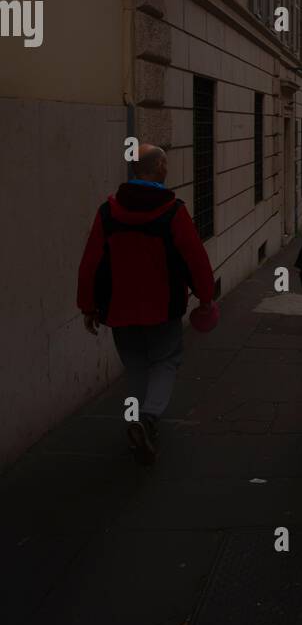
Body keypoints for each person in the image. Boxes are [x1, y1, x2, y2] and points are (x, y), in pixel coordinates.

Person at [77, 144, 215, 465]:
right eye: (165, 163)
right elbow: (194, 259)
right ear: (160, 167)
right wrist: (205, 297)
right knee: (165, 361)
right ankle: (149, 418)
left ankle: (134, 421)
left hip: (120, 309)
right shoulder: (172, 211)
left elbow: (91, 263)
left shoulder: (108, 212)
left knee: (136, 367)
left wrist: (88, 305)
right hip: (162, 307)